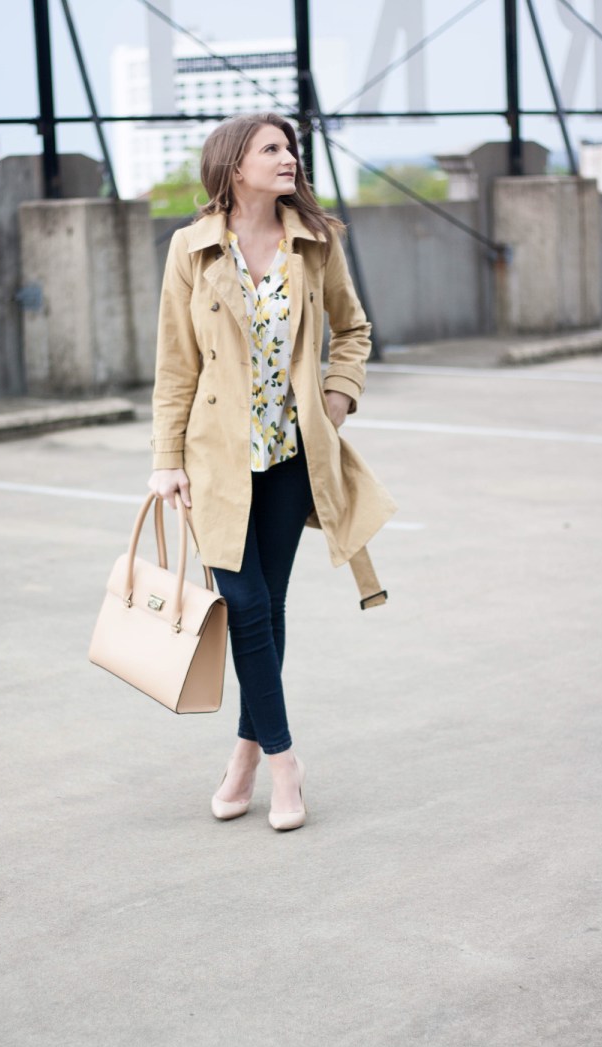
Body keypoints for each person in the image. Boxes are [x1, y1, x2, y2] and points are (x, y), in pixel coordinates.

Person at [148, 112, 397, 832]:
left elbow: (353, 329)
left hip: (291, 457)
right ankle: (283, 762)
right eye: (272, 148)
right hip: (216, 462)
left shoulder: (315, 243)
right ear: (234, 165)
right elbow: (175, 362)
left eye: (290, 147)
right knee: (246, 604)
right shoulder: (191, 249)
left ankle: (243, 758)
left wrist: (337, 397)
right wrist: (165, 460)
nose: (289, 157)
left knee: (271, 606)